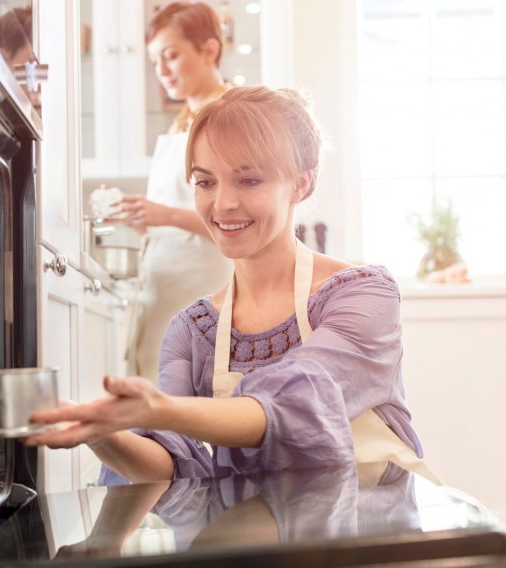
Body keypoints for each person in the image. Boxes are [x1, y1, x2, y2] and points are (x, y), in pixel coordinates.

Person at [26, 86, 441, 487]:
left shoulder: (363, 294)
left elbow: (302, 397)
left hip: (380, 538)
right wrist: (106, 434)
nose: (222, 204)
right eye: (205, 182)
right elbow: (169, 463)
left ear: (301, 183)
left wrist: (162, 409)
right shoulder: (193, 331)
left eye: (249, 180)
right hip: (267, 543)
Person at [112, 2, 234, 380]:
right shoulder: (180, 124)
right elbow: (178, 211)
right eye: (154, 61)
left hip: (202, 287)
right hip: (161, 290)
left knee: (193, 402)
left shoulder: (230, 117)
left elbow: (231, 214)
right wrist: (145, 221)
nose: (161, 71)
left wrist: (163, 216)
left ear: (209, 50)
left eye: (171, 56)